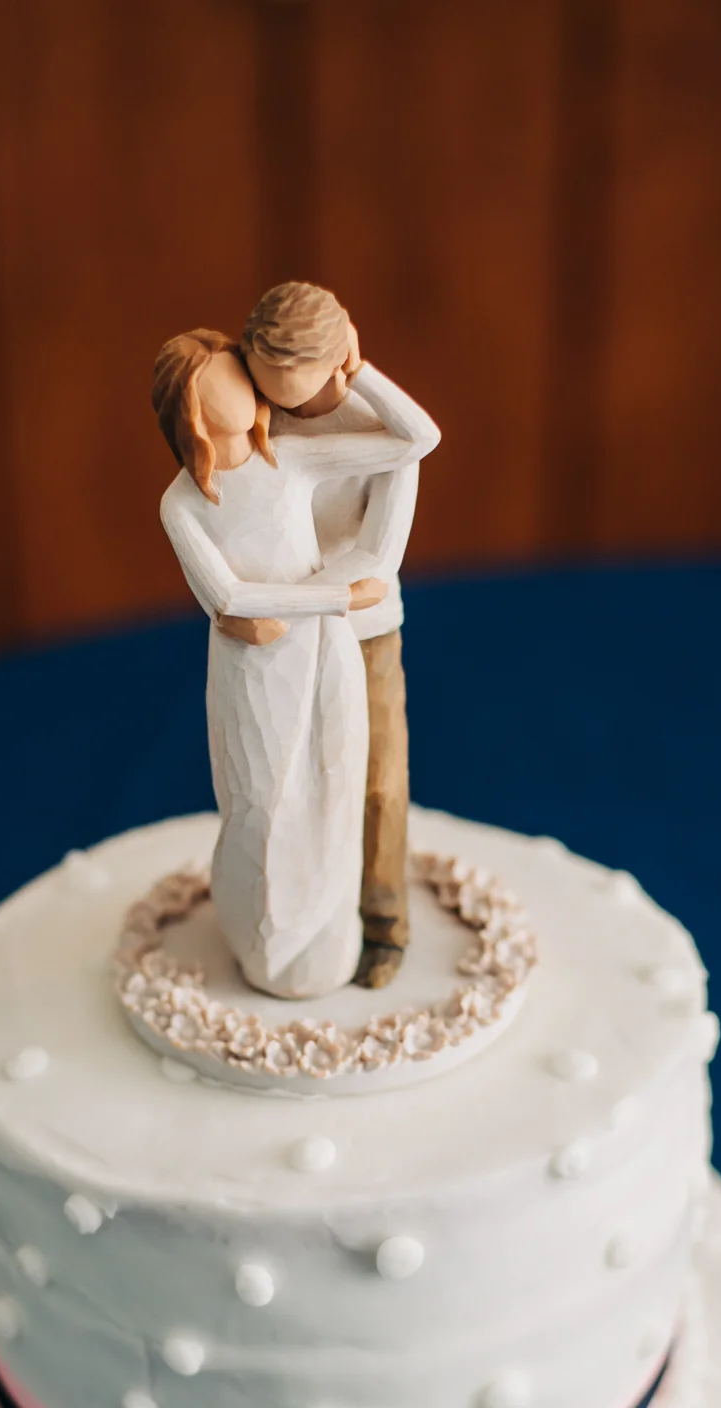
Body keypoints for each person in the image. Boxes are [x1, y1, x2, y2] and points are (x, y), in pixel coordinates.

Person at [152, 325, 437, 1000]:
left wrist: (357, 370)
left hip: (323, 652)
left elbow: (415, 441)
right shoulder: (181, 503)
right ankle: (262, 944)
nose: (249, 387)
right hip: (252, 672)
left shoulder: (290, 460)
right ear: (190, 405)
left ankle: (331, 943)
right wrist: (333, 598)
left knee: (332, 790)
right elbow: (228, 598)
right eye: (228, 375)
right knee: (261, 803)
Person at [242, 282, 440, 989]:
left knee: (376, 782)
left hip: (359, 631)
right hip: (277, 632)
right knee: (291, 783)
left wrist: (300, 600)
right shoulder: (253, 414)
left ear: (339, 357)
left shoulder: (383, 434)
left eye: (291, 393)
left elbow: (377, 560)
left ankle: (383, 923)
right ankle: (298, 920)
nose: (278, 412)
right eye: (266, 390)